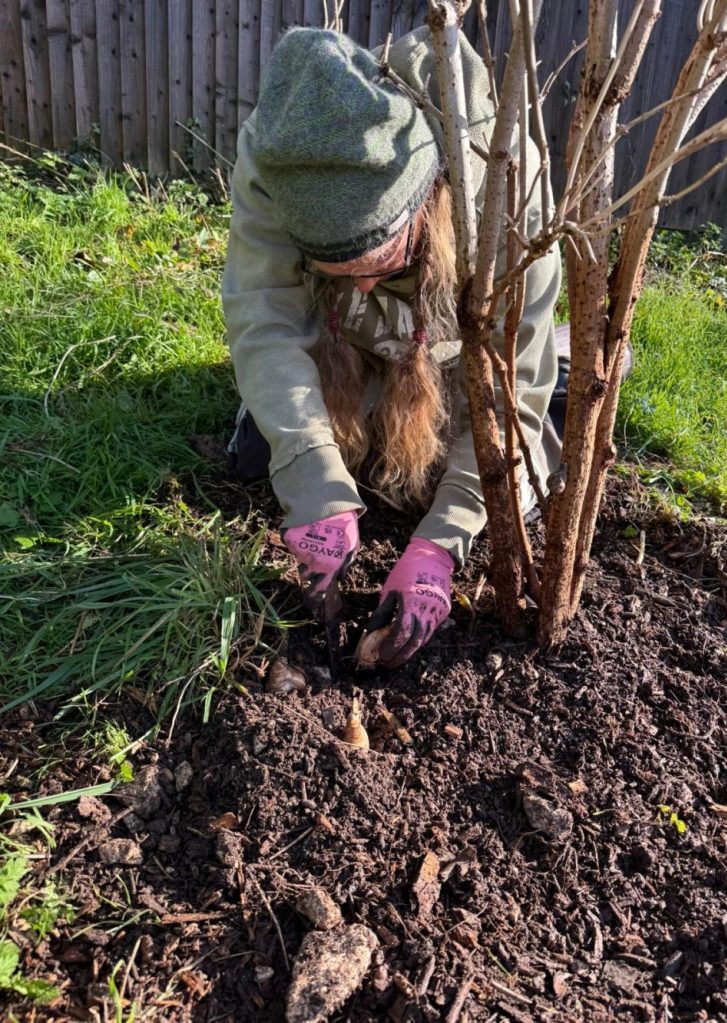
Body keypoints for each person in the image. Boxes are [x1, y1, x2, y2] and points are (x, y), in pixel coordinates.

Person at [222, 25, 565, 668]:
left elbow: (510, 386)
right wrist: (313, 482)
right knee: (258, 455)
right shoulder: (277, 163)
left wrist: (442, 543)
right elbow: (265, 318)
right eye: (336, 268)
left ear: (423, 200)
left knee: (506, 460)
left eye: (380, 262)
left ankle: (562, 366)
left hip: (453, 352)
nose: (364, 283)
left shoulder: (505, 189)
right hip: (345, 340)